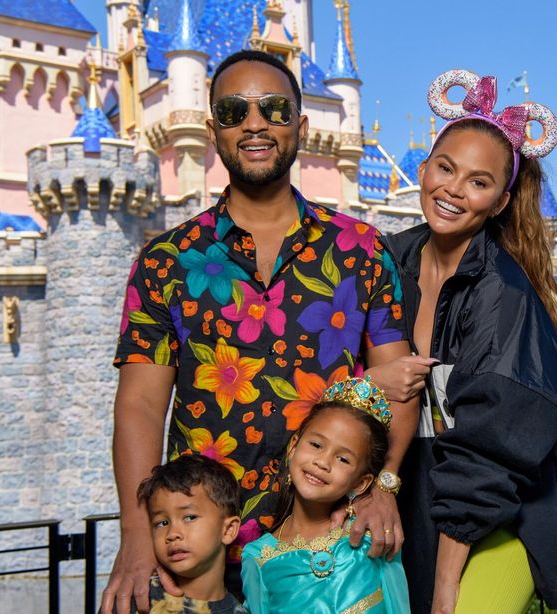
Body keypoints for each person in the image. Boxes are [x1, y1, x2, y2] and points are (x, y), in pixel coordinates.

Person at [104, 50, 417, 614]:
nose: (254, 124)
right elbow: (141, 408)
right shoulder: (166, 260)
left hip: (328, 555)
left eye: (273, 109)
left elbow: (399, 386)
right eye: (233, 111)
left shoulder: (363, 250)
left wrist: (385, 487)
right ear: (212, 129)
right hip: (197, 561)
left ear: (300, 126)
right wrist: (134, 533)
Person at [367, 70, 557, 613]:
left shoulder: (502, 293)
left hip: (496, 518)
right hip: (403, 497)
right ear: (424, 169)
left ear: (500, 201)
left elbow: (490, 452)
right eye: (445, 168)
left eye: (478, 182)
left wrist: (446, 587)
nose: (453, 190)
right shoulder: (383, 260)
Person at [240, 377, 410, 613]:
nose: (322, 462)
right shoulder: (257, 557)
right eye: (317, 445)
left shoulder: (372, 538)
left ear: (361, 483)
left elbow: (398, 606)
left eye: (343, 459)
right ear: (293, 447)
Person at [133, 454, 248, 614]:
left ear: (228, 530)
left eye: (189, 517)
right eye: (162, 523)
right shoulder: (137, 599)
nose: (172, 534)